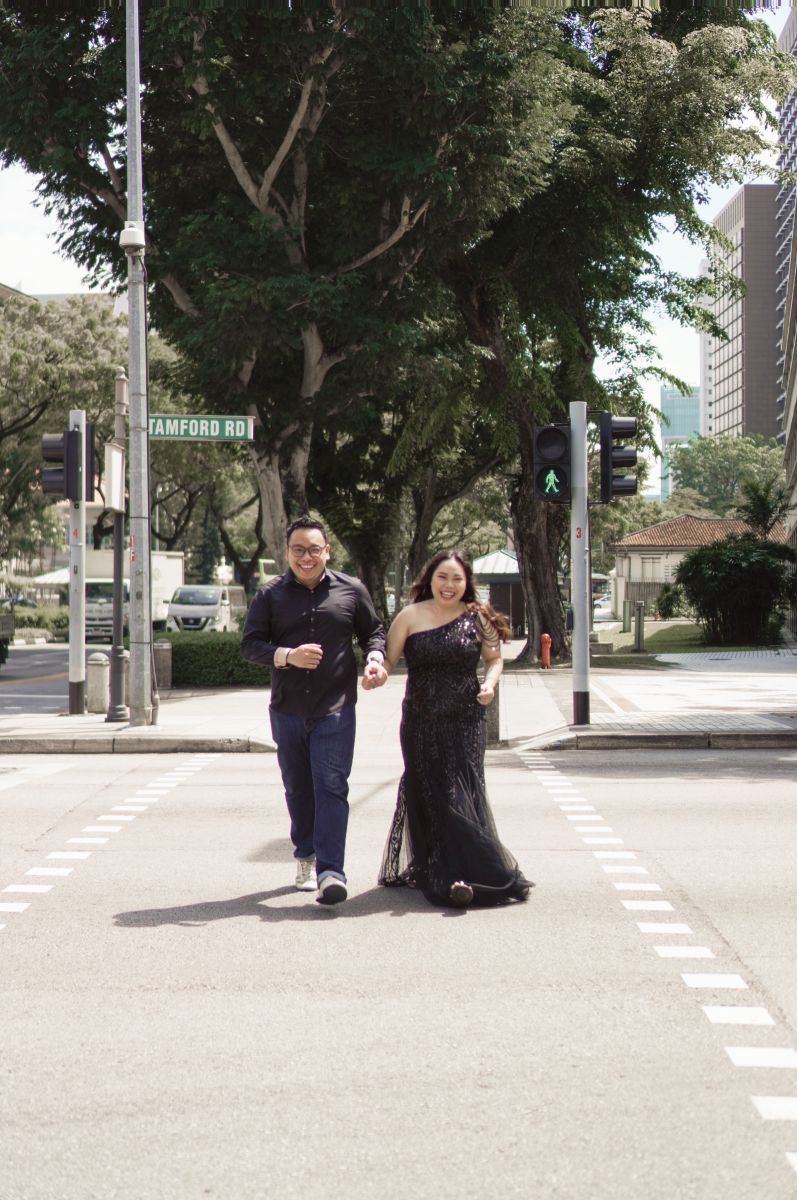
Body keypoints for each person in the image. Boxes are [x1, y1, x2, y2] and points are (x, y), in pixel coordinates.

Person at [370, 550, 532, 909]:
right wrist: (377, 673)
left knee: (459, 794)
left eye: (457, 579)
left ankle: (463, 875)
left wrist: (489, 684)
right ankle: (439, 870)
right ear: (430, 579)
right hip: (420, 721)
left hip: (465, 721)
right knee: (429, 792)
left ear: (466, 583)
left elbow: (494, 659)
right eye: (442, 577)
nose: (449, 585)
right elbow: (389, 661)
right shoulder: (409, 616)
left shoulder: (479, 616)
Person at [242, 516, 388, 905]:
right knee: (298, 789)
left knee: (332, 787)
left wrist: (375, 659)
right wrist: (287, 655)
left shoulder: (351, 589)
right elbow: (250, 644)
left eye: (313, 550)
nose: (306, 557)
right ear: (287, 552)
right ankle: (305, 855)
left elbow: (373, 632)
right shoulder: (270, 595)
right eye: (298, 550)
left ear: (327, 552)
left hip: (335, 708)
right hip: (287, 709)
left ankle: (331, 872)